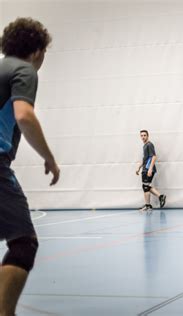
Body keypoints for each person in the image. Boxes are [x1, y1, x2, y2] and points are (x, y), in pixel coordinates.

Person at [0, 17, 60, 316]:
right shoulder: (23, 69)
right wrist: (49, 157)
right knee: (24, 243)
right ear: (37, 51)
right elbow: (23, 115)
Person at [136, 130, 166, 212]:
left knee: (145, 187)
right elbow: (145, 159)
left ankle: (149, 205)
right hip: (145, 169)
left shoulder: (149, 144)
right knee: (145, 187)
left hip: (148, 169)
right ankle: (159, 197)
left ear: (148, 136)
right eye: (141, 135)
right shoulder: (145, 145)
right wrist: (139, 167)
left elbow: (154, 157)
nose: (143, 137)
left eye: (144, 135)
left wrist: (150, 169)